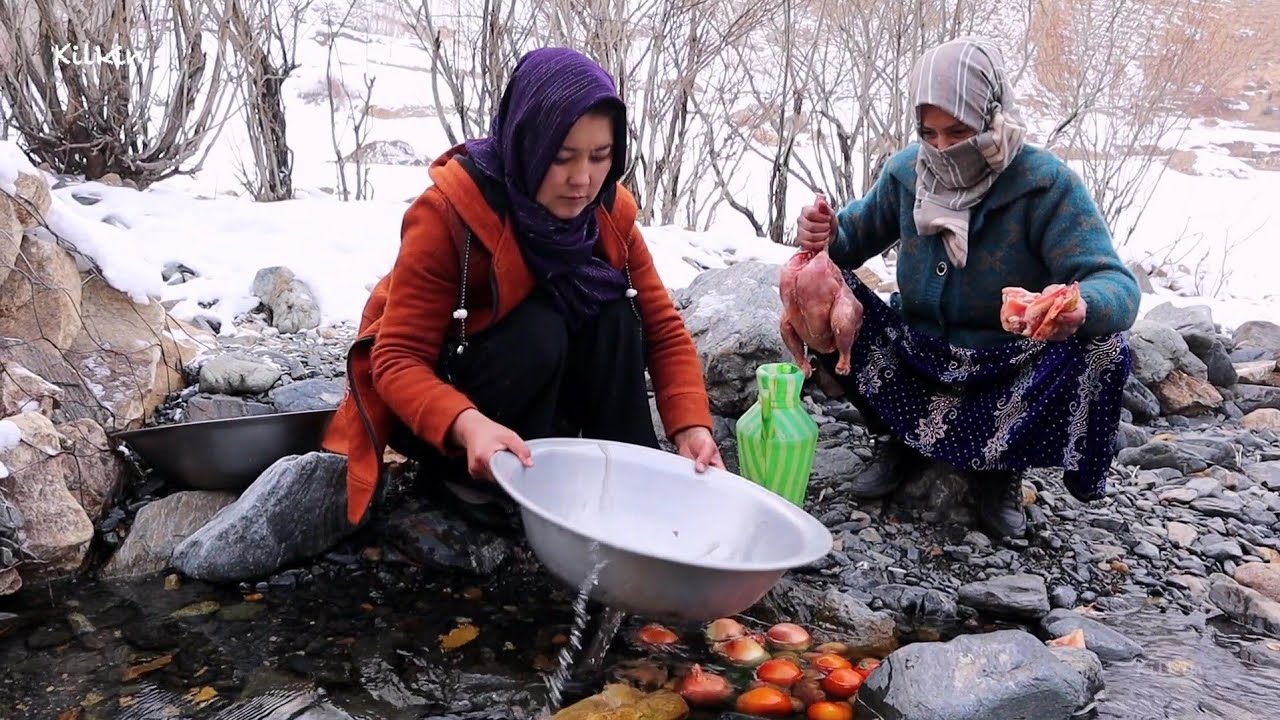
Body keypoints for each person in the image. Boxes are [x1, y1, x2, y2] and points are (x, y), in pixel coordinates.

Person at [322, 47, 724, 530]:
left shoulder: (607, 214)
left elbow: (663, 329)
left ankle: (625, 487)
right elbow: (397, 360)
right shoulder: (449, 214)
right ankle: (481, 486)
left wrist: (691, 427)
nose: (583, 179)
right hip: (452, 414)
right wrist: (467, 426)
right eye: (561, 157)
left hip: (539, 400)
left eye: (600, 156)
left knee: (616, 315)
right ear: (528, 145)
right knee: (541, 327)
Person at [794, 36, 1140, 539]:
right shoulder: (906, 171)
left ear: (992, 115)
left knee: (1106, 347)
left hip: (1004, 366)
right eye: (928, 133)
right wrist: (824, 233)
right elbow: (850, 241)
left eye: (958, 131)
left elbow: (1117, 284)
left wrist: (1079, 306)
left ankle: (999, 467)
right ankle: (898, 435)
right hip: (917, 355)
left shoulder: (1044, 185)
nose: (942, 147)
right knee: (815, 289)